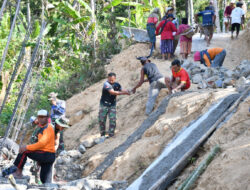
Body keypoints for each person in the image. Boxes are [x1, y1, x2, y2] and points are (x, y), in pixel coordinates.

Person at [2, 110, 56, 184]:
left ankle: (18, 173)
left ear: (47, 118)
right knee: (45, 179)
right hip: (47, 155)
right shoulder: (43, 127)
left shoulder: (48, 128)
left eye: (43, 117)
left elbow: (42, 144)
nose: (41, 119)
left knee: (24, 151)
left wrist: (26, 147)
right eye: (39, 117)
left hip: (47, 154)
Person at [99, 72, 130, 137]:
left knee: (113, 119)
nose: (111, 81)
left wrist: (127, 91)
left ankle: (111, 134)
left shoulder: (117, 84)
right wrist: (124, 93)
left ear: (115, 79)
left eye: (112, 80)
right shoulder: (106, 84)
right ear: (108, 78)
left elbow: (121, 89)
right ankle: (102, 135)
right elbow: (112, 92)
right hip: (104, 104)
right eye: (110, 79)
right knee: (102, 120)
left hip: (112, 105)